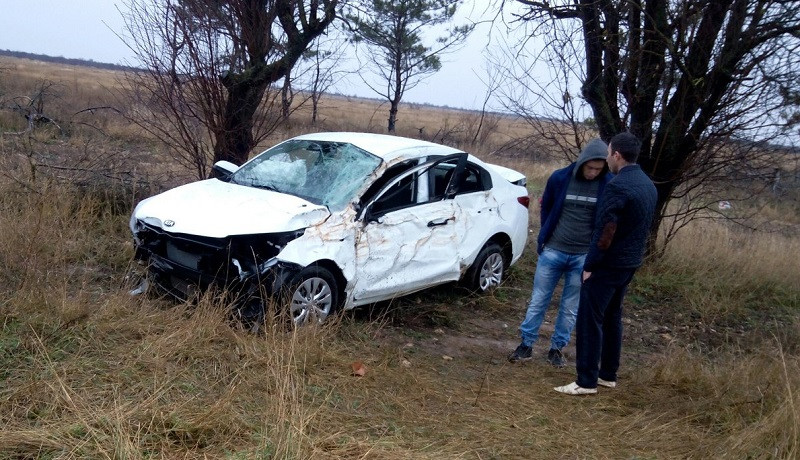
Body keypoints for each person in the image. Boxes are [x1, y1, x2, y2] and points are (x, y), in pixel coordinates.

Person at [554, 132, 657, 395]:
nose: (607, 157)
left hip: (608, 264)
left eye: (609, 152)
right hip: (630, 264)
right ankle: (608, 374)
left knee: (590, 319)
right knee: (612, 317)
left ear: (617, 155)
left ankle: (586, 381)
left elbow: (605, 231)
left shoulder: (617, 186)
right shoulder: (647, 184)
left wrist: (590, 265)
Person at [508, 139, 611, 366]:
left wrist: (597, 255)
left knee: (570, 306)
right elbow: (547, 206)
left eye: (598, 168)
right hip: (553, 250)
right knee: (538, 300)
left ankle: (557, 349)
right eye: (590, 167)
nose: (593, 172)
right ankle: (526, 345)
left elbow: (608, 220)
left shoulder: (608, 184)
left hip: (583, 256)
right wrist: (545, 235)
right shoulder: (560, 178)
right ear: (582, 162)